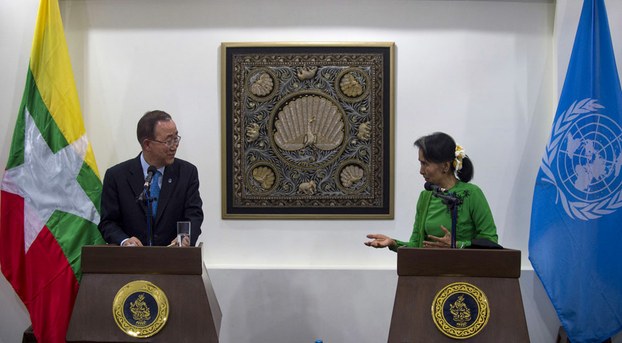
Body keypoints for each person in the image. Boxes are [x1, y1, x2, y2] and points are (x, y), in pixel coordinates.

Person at [365, 132, 497, 250]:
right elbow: (417, 245)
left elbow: (490, 240)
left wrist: (457, 245)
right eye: (420, 163)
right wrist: (393, 243)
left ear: (445, 166)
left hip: (464, 274)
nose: (421, 171)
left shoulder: (472, 193)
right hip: (431, 272)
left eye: (425, 164)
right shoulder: (426, 196)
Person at [99, 110, 203, 247]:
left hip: (173, 261)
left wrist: (185, 239)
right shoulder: (116, 176)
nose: (175, 145)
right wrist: (124, 241)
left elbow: (194, 215)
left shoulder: (187, 173)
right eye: (169, 141)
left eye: (176, 138)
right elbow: (108, 222)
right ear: (147, 144)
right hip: (131, 262)